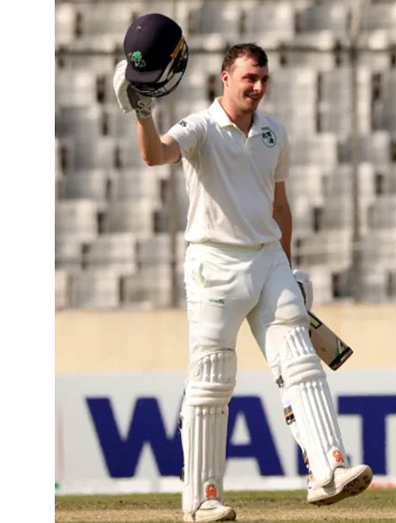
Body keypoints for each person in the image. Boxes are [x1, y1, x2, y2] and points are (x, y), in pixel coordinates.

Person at [113, 15, 372, 522]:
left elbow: (280, 206)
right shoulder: (201, 127)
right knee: (212, 378)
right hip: (214, 262)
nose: (257, 87)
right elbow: (156, 156)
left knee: (299, 361)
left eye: (263, 79)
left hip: (268, 258)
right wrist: (142, 115)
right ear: (225, 78)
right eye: (248, 78)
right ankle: (201, 498)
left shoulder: (275, 132)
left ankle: (328, 471)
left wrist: (289, 268)